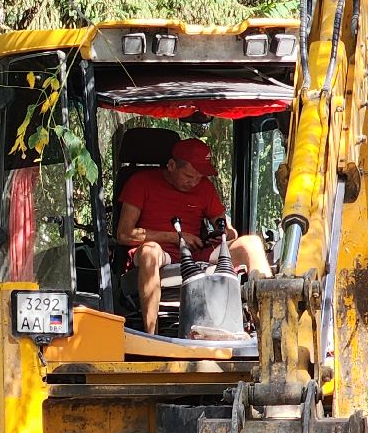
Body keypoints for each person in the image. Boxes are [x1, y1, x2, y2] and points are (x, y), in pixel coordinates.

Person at [114, 138, 271, 334]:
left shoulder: (204, 187)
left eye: (199, 177)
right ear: (171, 165)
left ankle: (270, 324)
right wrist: (175, 237)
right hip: (159, 253)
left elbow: (227, 228)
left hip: (194, 254)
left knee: (252, 243)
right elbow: (124, 233)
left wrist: (224, 234)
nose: (194, 182)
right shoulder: (140, 182)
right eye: (189, 176)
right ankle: (150, 334)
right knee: (150, 252)